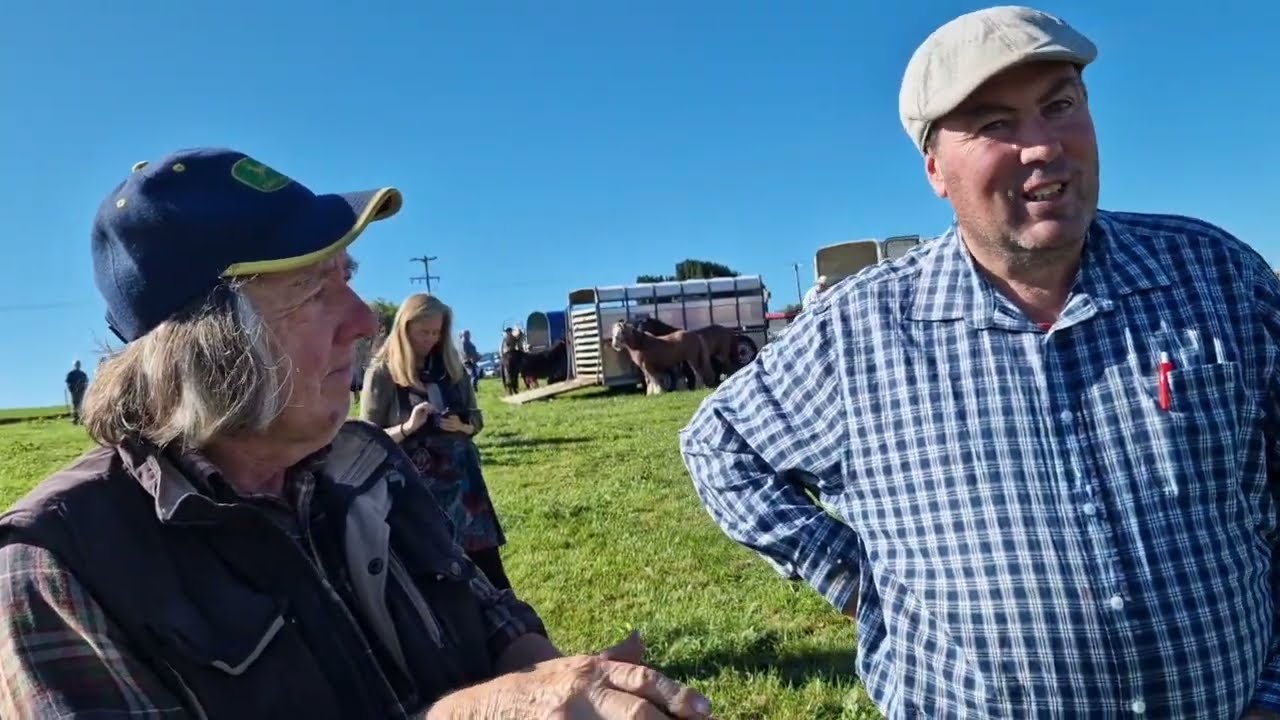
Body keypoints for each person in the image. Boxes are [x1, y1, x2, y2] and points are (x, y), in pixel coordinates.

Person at [680, 6, 1280, 719]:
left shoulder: (1211, 276)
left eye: (1060, 106)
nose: (1043, 148)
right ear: (935, 168)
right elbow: (720, 446)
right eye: (997, 125)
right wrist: (850, 579)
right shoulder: (863, 331)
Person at [0, 147, 712, 720]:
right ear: (204, 350)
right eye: (313, 291)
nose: (365, 321)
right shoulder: (58, 568)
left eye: (348, 277)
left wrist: (568, 687)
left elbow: (493, 621)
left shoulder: (367, 462)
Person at [360, 294, 512, 590]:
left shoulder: (450, 367)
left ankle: (518, 630)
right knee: (438, 580)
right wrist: (407, 427)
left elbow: (476, 420)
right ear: (404, 329)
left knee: (492, 575)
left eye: (437, 332)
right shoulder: (382, 373)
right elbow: (367, 439)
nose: (431, 339)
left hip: (466, 492)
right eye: (424, 332)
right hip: (417, 494)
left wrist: (463, 426)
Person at [63, 359, 89, 424]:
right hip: (74, 392)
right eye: (76, 364)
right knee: (75, 405)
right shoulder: (71, 373)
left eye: (78, 364)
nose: (77, 365)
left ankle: (82, 419)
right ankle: (75, 419)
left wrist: (84, 388)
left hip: (82, 391)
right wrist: (72, 389)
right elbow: (68, 382)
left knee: (82, 405)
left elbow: (86, 382)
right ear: (74, 365)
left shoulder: (83, 374)